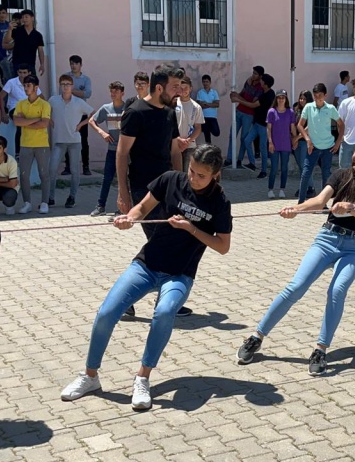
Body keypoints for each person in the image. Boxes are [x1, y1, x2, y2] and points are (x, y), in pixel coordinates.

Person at [59, 145, 231, 410]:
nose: (193, 178)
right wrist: (129, 219)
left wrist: (191, 228)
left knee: (164, 313)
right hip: (147, 264)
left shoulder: (219, 202)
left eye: (201, 176)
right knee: (107, 312)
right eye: (191, 171)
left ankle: (142, 377)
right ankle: (90, 376)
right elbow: (142, 207)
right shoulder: (171, 180)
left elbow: (223, 246)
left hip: (180, 273)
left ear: (215, 175)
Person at [238, 137, 355, 375]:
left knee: (337, 291)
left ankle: (320, 349)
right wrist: (295, 210)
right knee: (295, 287)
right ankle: (256, 336)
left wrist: (352, 208)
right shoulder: (341, 175)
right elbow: (319, 201)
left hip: (353, 246)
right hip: (327, 239)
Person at [115, 65, 191, 318]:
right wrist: (124, 194)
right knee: (161, 243)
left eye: (180, 86)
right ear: (159, 88)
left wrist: (183, 185)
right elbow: (122, 153)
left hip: (169, 189)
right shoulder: (135, 112)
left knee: (167, 242)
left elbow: (174, 151)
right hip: (143, 190)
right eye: (174, 87)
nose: (179, 91)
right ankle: (126, 299)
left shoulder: (170, 112)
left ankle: (164, 299)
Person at [47, 74, 93, 209]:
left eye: (68, 84)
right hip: (58, 141)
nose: (66, 87)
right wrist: (49, 119)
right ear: (60, 86)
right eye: (63, 84)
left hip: (74, 141)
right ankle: (50, 198)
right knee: (52, 169)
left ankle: (72, 197)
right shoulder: (53, 100)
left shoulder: (78, 102)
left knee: (74, 170)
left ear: (72, 86)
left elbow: (93, 114)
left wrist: (80, 125)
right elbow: (45, 112)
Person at [297, 83, 341, 204]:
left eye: (320, 95)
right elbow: (300, 125)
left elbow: (341, 125)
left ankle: (323, 203)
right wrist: (307, 140)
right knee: (306, 173)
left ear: (325, 95)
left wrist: (338, 142)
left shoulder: (331, 108)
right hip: (313, 147)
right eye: (315, 96)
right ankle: (300, 202)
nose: (317, 98)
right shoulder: (309, 107)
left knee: (326, 175)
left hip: (328, 148)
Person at [14, 74, 52, 214]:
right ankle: (27, 203)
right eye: (24, 85)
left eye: (28, 85)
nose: (25, 88)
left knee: (44, 174)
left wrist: (26, 121)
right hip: (25, 144)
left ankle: (44, 202)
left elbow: (44, 124)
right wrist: (35, 119)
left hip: (42, 144)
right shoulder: (21, 104)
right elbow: (17, 122)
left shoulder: (45, 104)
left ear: (36, 87)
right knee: (24, 175)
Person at [88, 81, 127, 216]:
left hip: (126, 151)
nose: (113, 94)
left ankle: (123, 208)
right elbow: (91, 121)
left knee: (124, 179)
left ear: (122, 93)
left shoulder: (128, 108)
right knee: (107, 178)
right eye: (112, 91)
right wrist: (102, 132)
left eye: (116, 91)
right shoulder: (106, 108)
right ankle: (100, 206)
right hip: (112, 150)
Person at [60, 55, 93, 176]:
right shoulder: (66, 77)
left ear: (80, 65)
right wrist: (77, 92)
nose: (73, 66)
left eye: (75, 63)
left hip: (82, 114)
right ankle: (68, 166)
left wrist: (71, 90)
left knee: (84, 141)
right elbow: (62, 93)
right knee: (67, 140)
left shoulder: (86, 79)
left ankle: (86, 166)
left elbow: (87, 94)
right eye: (71, 64)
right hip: (68, 113)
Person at [227, 65, 264, 169]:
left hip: (249, 115)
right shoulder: (248, 81)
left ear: (260, 76)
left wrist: (238, 99)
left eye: (255, 74)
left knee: (244, 138)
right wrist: (235, 95)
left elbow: (252, 103)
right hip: (239, 111)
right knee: (232, 134)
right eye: (253, 72)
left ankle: (239, 159)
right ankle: (229, 158)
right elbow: (242, 94)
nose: (253, 75)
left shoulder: (260, 89)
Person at [0, 64, 40, 159]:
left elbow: (42, 98)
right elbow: (0, 96)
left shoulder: (32, 83)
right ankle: (18, 153)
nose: (22, 75)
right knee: (22, 125)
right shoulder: (11, 82)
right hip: (15, 109)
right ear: (17, 72)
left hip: (29, 110)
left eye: (24, 72)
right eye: (20, 72)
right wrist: (3, 113)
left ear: (29, 73)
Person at [265, 89, 296, 199]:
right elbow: (269, 128)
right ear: (276, 99)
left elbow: (292, 128)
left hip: (286, 144)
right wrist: (270, 142)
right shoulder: (272, 112)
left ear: (286, 99)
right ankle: (270, 189)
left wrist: (295, 139)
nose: (281, 99)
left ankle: (282, 189)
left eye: (283, 97)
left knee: (284, 168)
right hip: (274, 144)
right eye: (279, 97)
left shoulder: (290, 112)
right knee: (274, 168)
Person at [2, 9, 45, 78]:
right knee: (17, 85)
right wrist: (10, 29)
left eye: (26, 17)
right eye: (23, 17)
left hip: (30, 64)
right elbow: (7, 41)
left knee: (32, 84)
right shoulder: (17, 30)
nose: (24, 19)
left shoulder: (37, 35)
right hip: (17, 63)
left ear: (32, 18)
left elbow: (40, 50)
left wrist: (42, 64)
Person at [175, 75, 205, 173]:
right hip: (174, 144)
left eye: (186, 88)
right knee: (175, 173)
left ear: (190, 88)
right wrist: (178, 139)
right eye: (181, 88)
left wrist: (187, 141)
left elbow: (198, 128)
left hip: (189, 146)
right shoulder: (173, 104)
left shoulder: (196, 107)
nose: (183, 90)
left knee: (187, 175)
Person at [291, 90, 311, 180]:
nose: (301, 101)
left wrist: (297, 138)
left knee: (304, 166)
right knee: (300, 165)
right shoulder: (296, 109)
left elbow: (309, 128)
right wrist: (294, 139)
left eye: (304, 99)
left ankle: (310, 187)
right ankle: (303, 187)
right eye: (300, 98)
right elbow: (292, 124)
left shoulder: (311, 110)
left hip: (304, 141)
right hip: (296, 141)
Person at [195, 74, 220, 144]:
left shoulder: (214, 92)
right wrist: (211, 104)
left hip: (212, 116)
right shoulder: (200, 92)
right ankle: (209, 150)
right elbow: (199, 105)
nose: (205, 83)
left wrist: (206, 103)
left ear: (210, 82)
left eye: (207, 82)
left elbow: (217, 104)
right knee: (207, 137)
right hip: (204, 116)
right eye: (204, 82)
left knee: (216, 132)